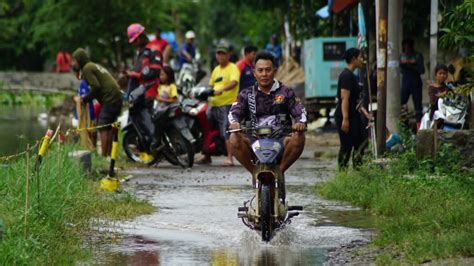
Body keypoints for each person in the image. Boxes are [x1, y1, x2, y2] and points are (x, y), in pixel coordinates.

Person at [228, 51, 307, 175]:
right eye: (260, 70)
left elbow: (300, 111)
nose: (264, 74)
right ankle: (254, 172)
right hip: (253, 139)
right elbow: (234, 112)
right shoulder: (246, 94)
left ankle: (280, 172)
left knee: (299, 137)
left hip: (281, 139)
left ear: (275, 71)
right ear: (254, 73)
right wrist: (235, 123)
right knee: (233, 138)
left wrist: (300, 123)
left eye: (268, 70)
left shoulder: (286, 92)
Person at [71, 48, 122, 157]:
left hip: (110, 98)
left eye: (75, 60)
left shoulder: (87, 68)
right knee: (108, 126)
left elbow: (96, 86)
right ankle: (108, 156)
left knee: (103, 127)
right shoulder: (92, 66)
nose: (73, 63)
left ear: (80, 59)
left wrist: (85, 99)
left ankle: (104, 156)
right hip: (116, 96)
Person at [196, 44, 240, 166]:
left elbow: (234, 82)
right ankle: (207, 156)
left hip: (227, 104)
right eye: (218, 53)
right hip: (214, 104)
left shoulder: (232, 68)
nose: (220, 56)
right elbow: (211, 85)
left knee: (226, 130)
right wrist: (203, 91)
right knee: (207, 128)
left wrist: (222, 90)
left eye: (223, 54)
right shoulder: (216, 69)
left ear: (228, 55)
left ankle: (230, 158)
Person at [123, 23, 163, 149]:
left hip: (150, 91)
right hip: (139, 92)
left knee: (147, 118)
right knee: (138, 118)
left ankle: (155, 143)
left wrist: (136, 75)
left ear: (140, 37)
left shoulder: (153, 49)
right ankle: (146, 145)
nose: (134, 43)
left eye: (135, 40)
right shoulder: (141, 52)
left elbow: (155, 71)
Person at [335, 48, 366, 170]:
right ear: (354, 59)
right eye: (360, 57)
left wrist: (365, 113)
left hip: (355, 115)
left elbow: (356, 100)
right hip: (345, 116)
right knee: (346, 146)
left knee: (361, 142)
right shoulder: (346, 76)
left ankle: (358, 170)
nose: (362, 60)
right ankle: (342, 173)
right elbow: (344, 99)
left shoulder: (355, 76)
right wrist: (345, 119)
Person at [400, 38, 425, 129]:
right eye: (405, 48)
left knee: (418, 107)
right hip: (406, 82)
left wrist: (411, 66)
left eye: (408, 48)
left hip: (416, 82)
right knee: (401, 104)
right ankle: (403, 125)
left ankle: (419, 127)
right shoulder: (402, 56)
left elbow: (422, 70)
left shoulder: (417, 56)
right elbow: (400, 69)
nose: (406, 50)